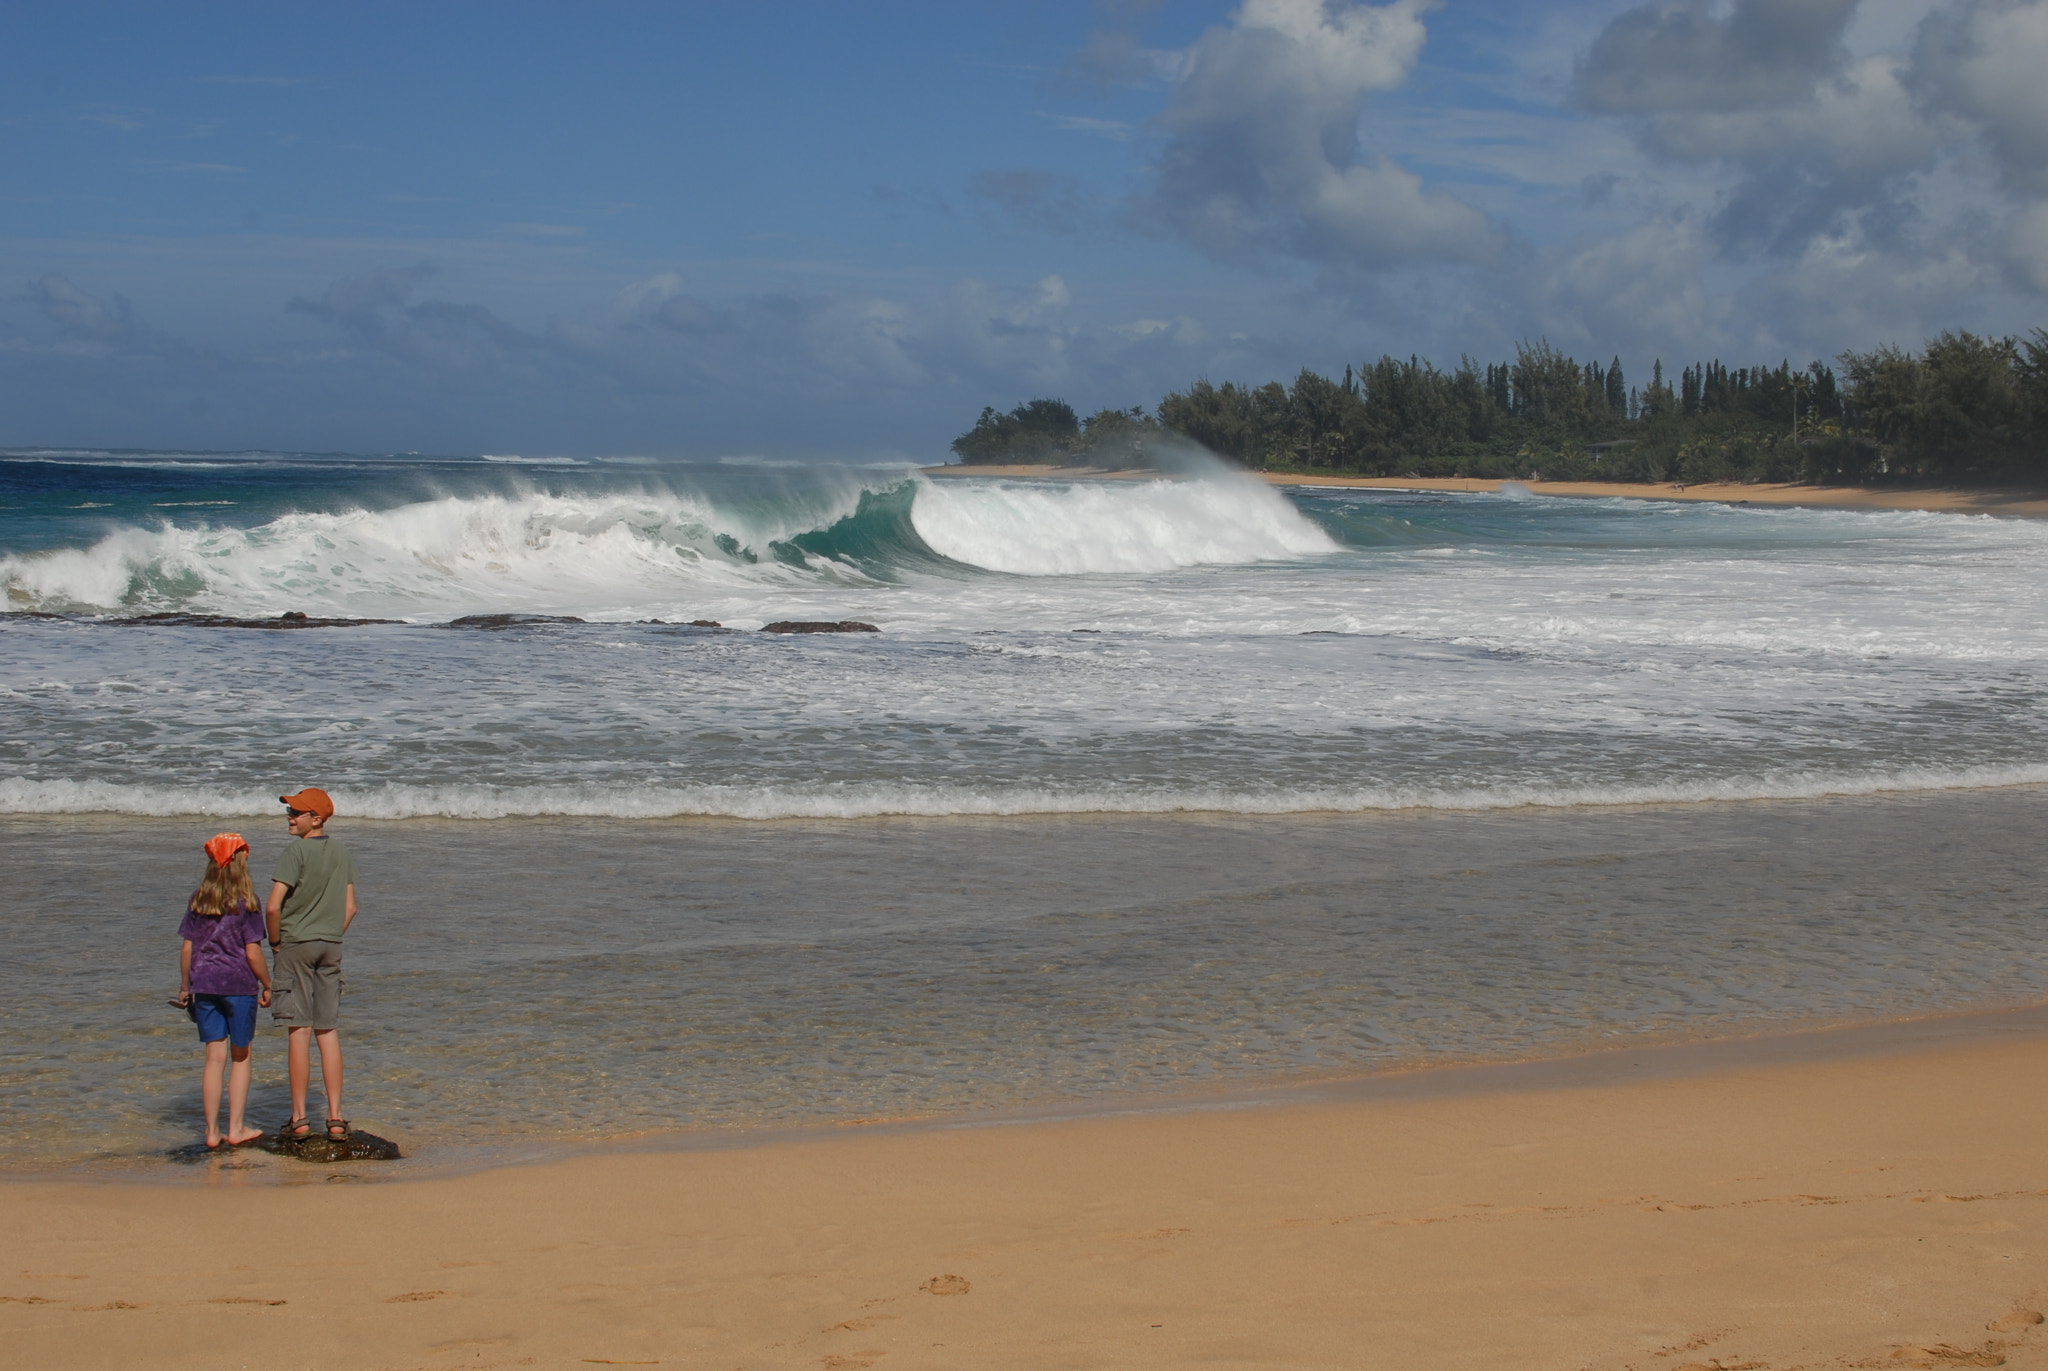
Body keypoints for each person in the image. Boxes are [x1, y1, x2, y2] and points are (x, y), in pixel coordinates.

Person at [267, 787, 362, 1142]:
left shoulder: (295, 852)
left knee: (299, 1030)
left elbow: (274, 906)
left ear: (316, 819)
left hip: (296, 943)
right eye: (290, 813)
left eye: (296, 814)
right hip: (331, 943)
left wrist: (276, 944)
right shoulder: (341, 852)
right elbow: (350, 907)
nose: (290, 819)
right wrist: (330, 934)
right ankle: (336, 1117)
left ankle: (300, 1118)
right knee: (328, 1030)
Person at [173, 833, 273, 1150]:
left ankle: (212, 1132)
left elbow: (188, 949)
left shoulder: (198, 900)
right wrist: (269, 984)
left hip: (204, 984)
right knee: (240, 1057)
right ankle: (236, 1127)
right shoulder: (248, 903)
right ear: (240, 863)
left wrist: (185, 985)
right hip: (239, 985)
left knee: (213, 1059)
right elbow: (253, 953)